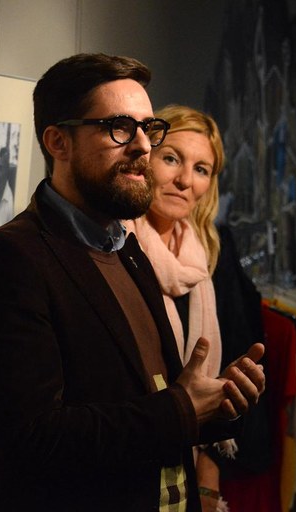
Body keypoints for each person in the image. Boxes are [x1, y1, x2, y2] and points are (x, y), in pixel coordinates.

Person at [0, 53, 266, 511]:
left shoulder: (128, 249)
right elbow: (31, 439)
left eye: (148, 128)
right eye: (119, 128)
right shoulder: (9, 259)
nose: (142, 146)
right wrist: (182, 409)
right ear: (58, 142)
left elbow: (146, 397)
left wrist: (216, 405)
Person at [123, 105, 230, 512]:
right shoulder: (116, 247)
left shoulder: (200, 259)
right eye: (172, 159)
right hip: (126, 465)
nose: (185, 180)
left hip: (185, 469)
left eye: (201, 169)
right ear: (145, 157)